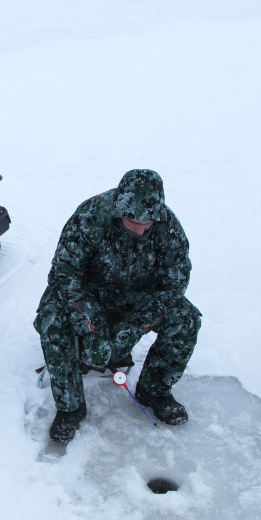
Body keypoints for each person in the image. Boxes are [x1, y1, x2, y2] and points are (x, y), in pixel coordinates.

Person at [33, 169, 201, 442]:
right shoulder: (91, 216)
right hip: (86, 292)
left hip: (137, 293)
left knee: (186, 319)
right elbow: (64, 275)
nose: (140, 229)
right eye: (133, 220)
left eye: (147, 223)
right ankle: (70, 407)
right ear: (119, 208)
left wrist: (135, 326)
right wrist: (93, 327)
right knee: (52, 321)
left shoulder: (168, 226)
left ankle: (154, 390)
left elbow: (174, 285)